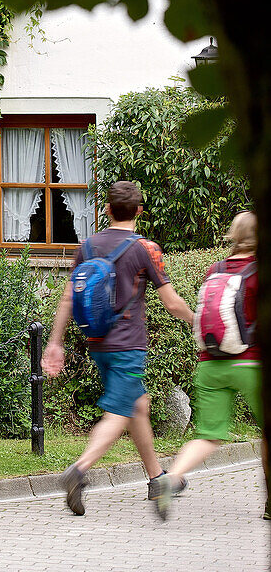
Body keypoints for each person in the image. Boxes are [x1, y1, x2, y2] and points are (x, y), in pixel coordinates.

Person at [42, 180, 194, 516]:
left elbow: (68, 297)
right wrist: (198, 321)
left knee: (138, 404)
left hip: (97, 343)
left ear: (107, 209)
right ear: (139, 211)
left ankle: (156, 479)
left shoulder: (89, 246)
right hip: (128, 346)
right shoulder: (145, 248)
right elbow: (170, 303)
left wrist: (55, 343)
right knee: (120, 411)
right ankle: (78, 471)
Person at [154, 210, 264, 520]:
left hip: (210, 364)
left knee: (208, 435)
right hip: (251, 365)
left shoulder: (214, 270)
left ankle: (171, 478)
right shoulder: (257, 271)